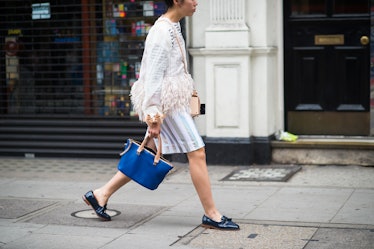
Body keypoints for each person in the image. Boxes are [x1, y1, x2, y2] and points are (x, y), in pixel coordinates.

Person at [83, 0, 239, 230]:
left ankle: (100, 194)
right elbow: (153, 78)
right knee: (197, 152)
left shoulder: (172, 27)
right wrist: (154, 117)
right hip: (167, 106)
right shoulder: (160, 32)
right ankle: (212, 214)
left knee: (149, 153)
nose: (197, 2)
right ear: (177, 1)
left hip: (171, 102)